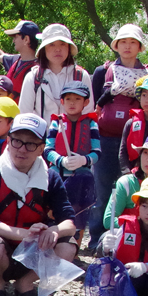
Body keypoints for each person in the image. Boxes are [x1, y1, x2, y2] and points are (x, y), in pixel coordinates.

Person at [0, 113, 78, 296]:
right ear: (8, 141)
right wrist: (25, 234)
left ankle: (25, 284)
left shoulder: (51, 178)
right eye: (17, 141)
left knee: (68, 246)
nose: (22, 149)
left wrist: (53, 232)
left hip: (34, 254)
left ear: (41, 149)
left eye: (31, 144)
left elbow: (69, 222)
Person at [92, 24, 148, 245]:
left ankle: (132, 238)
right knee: (102, 189)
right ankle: (97, 237)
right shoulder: (102, 70)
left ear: (139, 46)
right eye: (123, 42)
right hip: (105, 137)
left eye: (133, 42)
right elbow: (94, 103)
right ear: (116, 45)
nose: (127, 46)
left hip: (136, 140)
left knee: (132, 190)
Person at [44, 81, 101, 247]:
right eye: (68, 99)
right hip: (58, 173)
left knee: (80, 210)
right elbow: (48, 150)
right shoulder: (56, 123)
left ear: (86, 102)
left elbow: (97, 153)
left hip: (81, 176)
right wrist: (61, 160)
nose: (72, 102)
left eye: (77, 99)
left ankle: (74, 246)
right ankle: (53, 241)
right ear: (62, 102)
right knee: (52, 208)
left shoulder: (91, 124)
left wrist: (84, 160)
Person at [19, 24, 93, 121]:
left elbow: (88, 113)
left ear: (69, 48)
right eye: (52, 44)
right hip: (41, 135)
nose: (57, 49)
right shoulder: (33, 77)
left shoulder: (81, 76)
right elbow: (24, 115)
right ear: (44, 49)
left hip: (74, 135)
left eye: (62, 44)